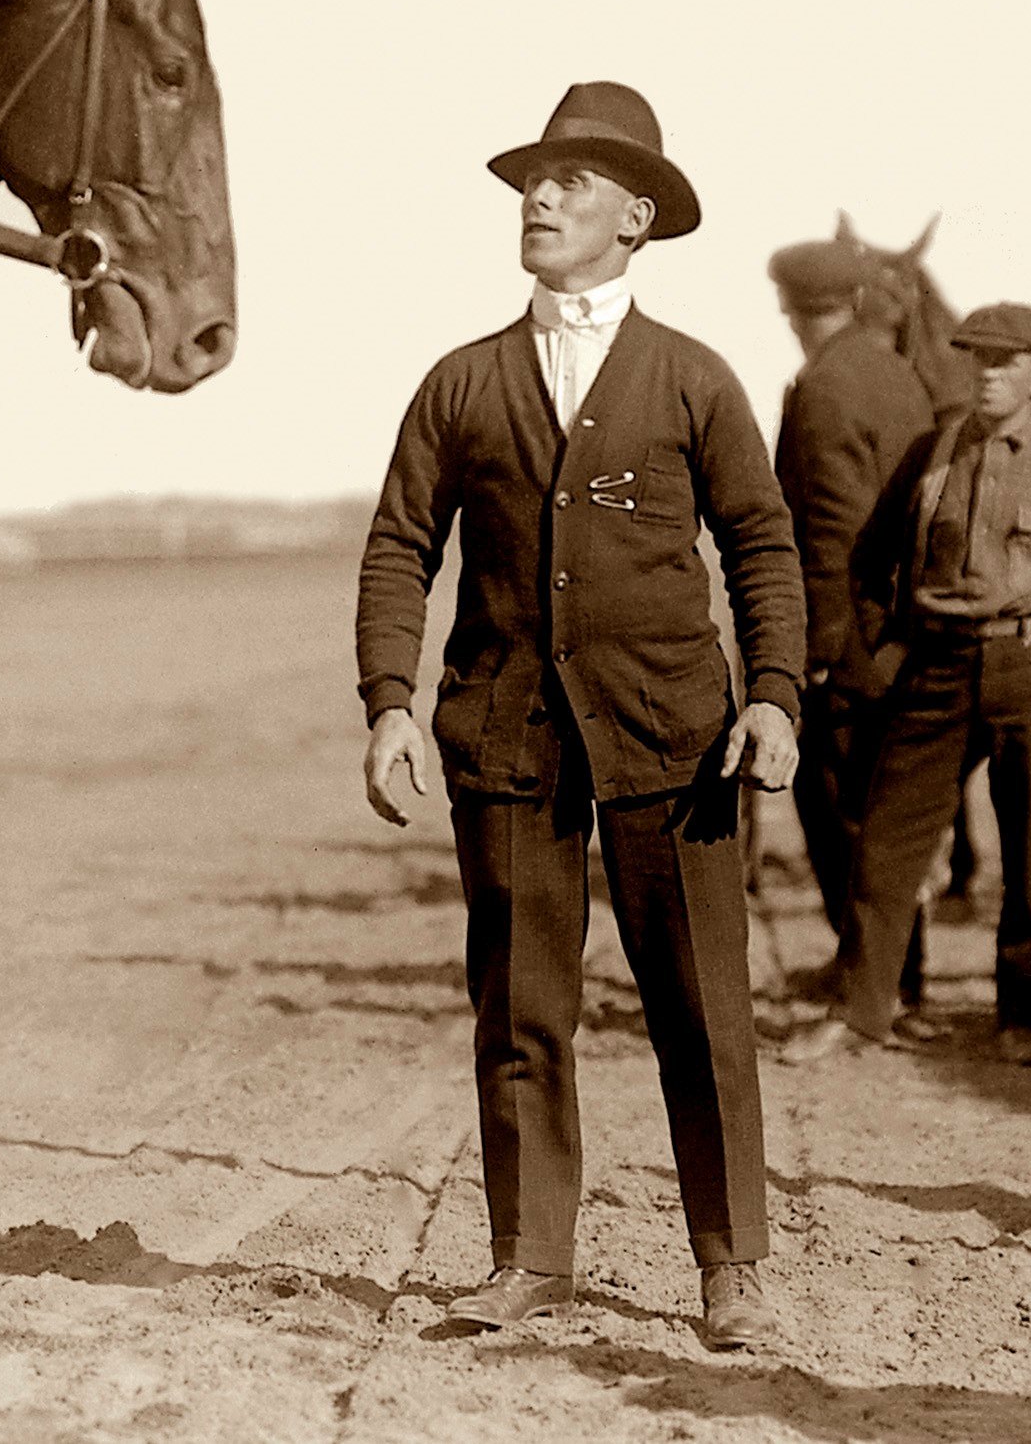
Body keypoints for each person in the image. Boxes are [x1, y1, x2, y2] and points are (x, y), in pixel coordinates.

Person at [356, 82, 803, 1353]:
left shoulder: (694, 377)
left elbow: (763, 545)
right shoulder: (461, 381)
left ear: (637, 216)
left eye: (571, 179)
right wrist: (391, 702)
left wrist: (770, 695)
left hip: (675, 739)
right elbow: (399, 549)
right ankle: (528, 1257)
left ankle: (731, 1268)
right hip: (504, 736)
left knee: (701, 1004)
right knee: (520, 1005)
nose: (539, 197)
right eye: (531, 180)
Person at [783, 305, 1031, 1065]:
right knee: (884, 849)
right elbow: (867, 562)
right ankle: (864, 1010)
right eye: (977, 360)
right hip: (936, 668)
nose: (988, 374)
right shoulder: (928, 453)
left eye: (1006, 361)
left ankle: (1020, 1018)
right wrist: (889, 650)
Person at [768, 241, 938, 1002]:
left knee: (837, 807)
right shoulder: (893, 371)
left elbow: (832, 527)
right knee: (883, 812)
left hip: (850, 638)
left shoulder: (824, 385)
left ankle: (869, 975)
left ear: (789, 308)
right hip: (900, 626)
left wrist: (816, 645)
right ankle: (895, 971)